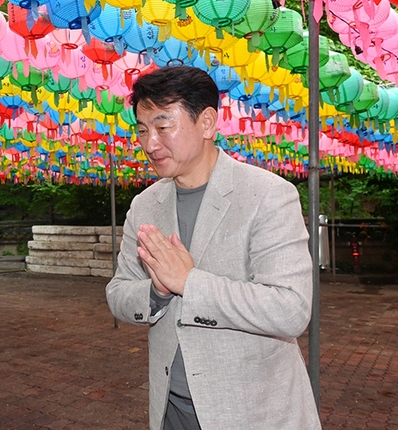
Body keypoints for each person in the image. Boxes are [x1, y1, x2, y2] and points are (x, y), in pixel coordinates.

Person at [105, 66, 321, 430]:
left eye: (163, 126)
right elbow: (118, 293)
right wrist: (156, 292)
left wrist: (190, 282)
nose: (149, 143)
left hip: (252, 411)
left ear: (206, 123)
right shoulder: (144, 206)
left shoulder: (267, 195)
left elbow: (291, 309)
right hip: (171, 411)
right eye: (142, 130)